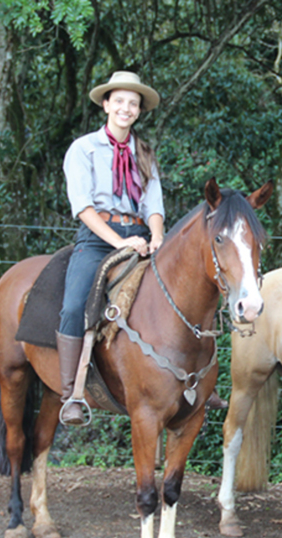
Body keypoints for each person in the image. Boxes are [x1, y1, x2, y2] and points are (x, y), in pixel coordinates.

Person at [57, 70, 166, 426]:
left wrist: (157, 236)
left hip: (140, 236)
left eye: (132, 104)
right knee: (74, 305)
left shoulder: (145, 152)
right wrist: (120, 242)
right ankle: (71, 394)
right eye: (118, 101)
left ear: (139, 111)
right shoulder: (83, 149)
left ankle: (193, 384)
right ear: (106, 105)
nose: (126, 108)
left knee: (178, 293)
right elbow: (83, 206)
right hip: (99, 238)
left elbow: (153, 204)